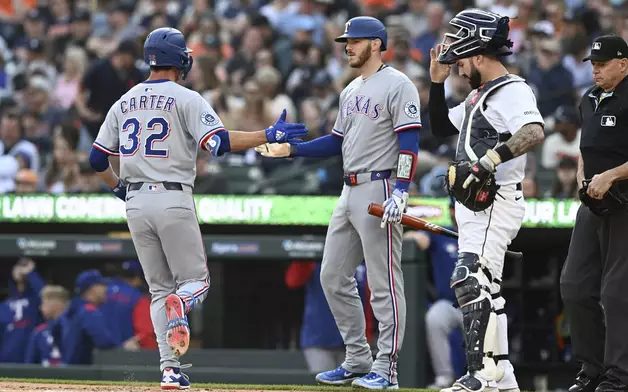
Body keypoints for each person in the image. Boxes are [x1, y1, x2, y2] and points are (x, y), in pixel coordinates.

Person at [87, 27, 307, 390]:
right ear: (180, 60)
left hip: (137, 201)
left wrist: (120, 191)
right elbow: (218, 144)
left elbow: (96, 159)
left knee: (158, 289)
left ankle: (169, 370)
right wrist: (265, 135)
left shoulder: (124, 100)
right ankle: (181, 304)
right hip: (172, 196)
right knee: (194, 283)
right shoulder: (186, 97)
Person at [256, 16, 422, 389]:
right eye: (346, 41)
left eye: (355, 40)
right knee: (331, 275)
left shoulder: (398, 84)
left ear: (377, 44)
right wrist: (291, 150)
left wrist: (402, 189)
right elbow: (335, 142)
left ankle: (387, 369)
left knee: (384, 284)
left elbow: (410, 140)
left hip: (380, 186)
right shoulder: (350, 89)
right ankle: (358, 358)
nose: (348, 46)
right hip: (349, 189)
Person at [428, 9, 545, 392]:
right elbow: (442, 126)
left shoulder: (512, 89)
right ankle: (502, 374)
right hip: (476, 205)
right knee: (487, 290)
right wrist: (435, 84)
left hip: (495, 201)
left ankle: (480, 375)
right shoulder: (481, 94)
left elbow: (532, 131)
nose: (459, 68)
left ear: (479, 55)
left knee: (468, 278)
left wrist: (488, 161)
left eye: (462, 60)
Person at [560, 34, 628, 392]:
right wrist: (585, 177)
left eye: (603, 64)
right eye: (593, 64)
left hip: (625, 200)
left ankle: (619, 377)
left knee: (617, 291)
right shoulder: (589, 99)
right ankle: (594, 368)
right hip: (594, 199)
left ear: (624, 63)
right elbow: (587, 145)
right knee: (573, 284)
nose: (596, 70)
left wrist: (612, 175)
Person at [406, 198, 463, 389]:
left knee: (488, 326)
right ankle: (444, 377)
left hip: (475, 302)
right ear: (451, 210)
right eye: (456, 208)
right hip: (448, 302)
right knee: (434, 318)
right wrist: (412, 236)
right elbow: (418, 239)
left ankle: (481, 376)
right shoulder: (443, 232)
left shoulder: (479, 234)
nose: (459, 212)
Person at [285, 261, 372, 374]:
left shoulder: (361, 263)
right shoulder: (316, 260)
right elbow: (292, 281)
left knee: (353, 386)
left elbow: (368, 302)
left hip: (354, 341)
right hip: (319, 339)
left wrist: (368, 334)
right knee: (324, 384)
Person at [61, 270, 139, 365]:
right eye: (102, 285)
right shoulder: (88, 310)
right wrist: (123, 347)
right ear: (93, 289)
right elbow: (103, 341)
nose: (106, 289)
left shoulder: (76, 307)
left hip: (69, 366)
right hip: (78, 371)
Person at [0, 258, 45, 363]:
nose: (21, 270)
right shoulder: (3, 306)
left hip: (32, 361)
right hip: (6, 362)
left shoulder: (36, 300)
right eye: (19, 267)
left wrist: (31, 273)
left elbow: (46, 295)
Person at [24, 285, 70, 366]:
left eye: (43, 303)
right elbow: (29, 365)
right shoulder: (39, 331)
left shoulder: (72, 328)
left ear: (55, 304)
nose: (40, 308)